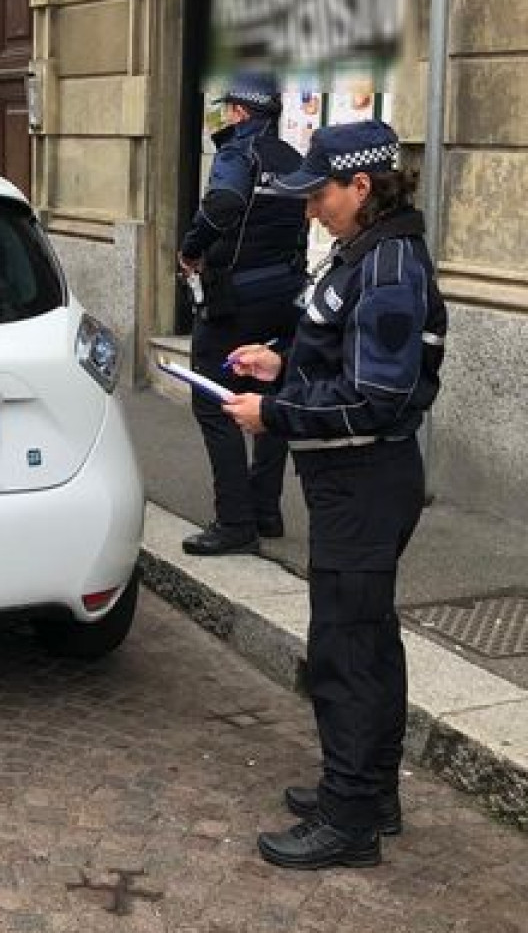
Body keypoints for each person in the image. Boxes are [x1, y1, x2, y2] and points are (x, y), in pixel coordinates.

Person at [220, 121, 447, 871]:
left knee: (346, 652)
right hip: (353, 482)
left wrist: (274, 413)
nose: (311, 208)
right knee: (367, 641)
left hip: (365, 481)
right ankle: (368, 793)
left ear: (362, 186)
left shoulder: (387, 269)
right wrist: (280, 363)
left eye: (320, 193)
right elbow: (339, 352)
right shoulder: (366, 253)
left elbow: (374, 400)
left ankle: (350, 821)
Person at [178, 74, 309, 556]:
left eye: (227, 109)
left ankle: (235, 522)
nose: (224, 117)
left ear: (238, 112)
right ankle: (265, 509)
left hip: (236, 300)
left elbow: (225, 202)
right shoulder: (292, 159)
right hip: (285, 294)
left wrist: (192, 249)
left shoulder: (237, 153)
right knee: (270, 394)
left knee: (214, 401)